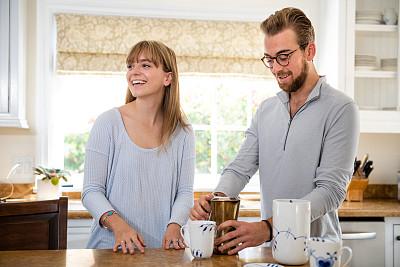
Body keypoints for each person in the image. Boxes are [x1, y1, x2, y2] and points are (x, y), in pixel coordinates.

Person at [190, 7, 360, 255]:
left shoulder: (341, 109)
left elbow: (330, 191)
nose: (276, 68)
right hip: (272, 252)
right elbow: (240, 168)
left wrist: (267, 228)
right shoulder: (266, 110)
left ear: (309, 51)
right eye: (269, 59)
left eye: (284, 56)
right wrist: (216, 200)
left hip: (316, 252)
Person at [82, 40, 195, 254]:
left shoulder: (183, 132)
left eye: (145, 65)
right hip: (111, 250)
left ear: (167, 77)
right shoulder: (108, 122)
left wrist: (175, 226)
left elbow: (185, 192)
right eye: (130, 66)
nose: (134, 72)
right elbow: (91, 191)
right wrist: (120, 227)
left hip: (162, 252)